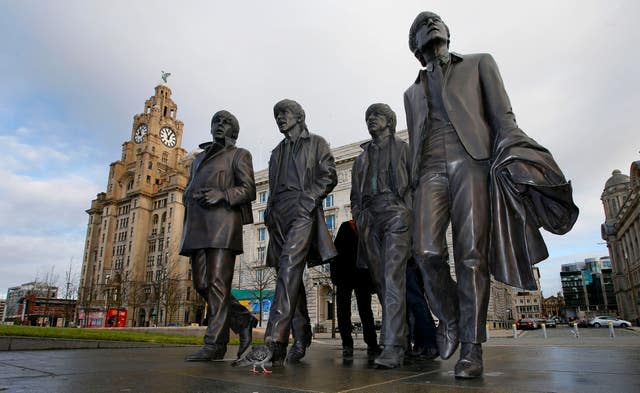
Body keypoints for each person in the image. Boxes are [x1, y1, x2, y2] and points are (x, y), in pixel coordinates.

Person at [404, 12, 577, 378]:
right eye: (421, 25)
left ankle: (472, 347)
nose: (431, 25)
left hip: (474, 162)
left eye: (435, 21)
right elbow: (416, 140)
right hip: (429, 170)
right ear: (414, 46)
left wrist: (517, 155)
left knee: (471, 257)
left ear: (447, 32)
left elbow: (503, 116)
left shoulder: (480, 63)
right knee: (426, 252)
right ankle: (450, 317)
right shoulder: (411, 92)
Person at [260, 99, 338, 365]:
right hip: (278, 215)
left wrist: (309, 198)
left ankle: (274, 342)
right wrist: (269, 213)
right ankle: (302, 333)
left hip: (302, 209)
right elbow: (272, 186)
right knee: (286, 272)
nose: (280, 118)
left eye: (284, 113)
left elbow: (329, 175)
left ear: (299, 116)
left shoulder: (317, 142)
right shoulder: (275, 152)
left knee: (290, 266)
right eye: (276, 114)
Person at [180, 110, 258, 361]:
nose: (220, 125)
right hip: (197, 226)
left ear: (234, 131)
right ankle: (243, 319)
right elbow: (189, 187)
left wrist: (222, 195)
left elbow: (248, 189)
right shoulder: (198, 158)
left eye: (226, 122)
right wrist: (188, 196)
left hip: (222, 225)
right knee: (202, 284)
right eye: (216, 121)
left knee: (217, 283)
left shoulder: (239, 154)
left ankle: (215, 343)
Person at [350, 103, 412, 369]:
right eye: (367, 117)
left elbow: (416, 183)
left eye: (376, 115)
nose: (371, 120)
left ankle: (393, 345)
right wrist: (360, 215)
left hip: (396, 212)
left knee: (392, 275)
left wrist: (409, 212)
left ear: (389, 120)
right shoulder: (360, 159)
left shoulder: (403, 149)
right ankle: (402, 336)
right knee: (381, 282)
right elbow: (354, 195)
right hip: (370, 218)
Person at [330, 219, 380, 357]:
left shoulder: (368, 227)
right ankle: (348, 343)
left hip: (362, 275)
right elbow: (336, 252)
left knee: (365, 310)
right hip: (345, 275)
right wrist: (335, 275)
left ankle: (371, 343)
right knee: (344, 310)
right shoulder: (347, 226)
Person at [405, 258, 437, 359]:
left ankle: (430, 343)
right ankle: (422, 344)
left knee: (415, 299)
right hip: (414, 261)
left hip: (410, 261)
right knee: (414, 300)